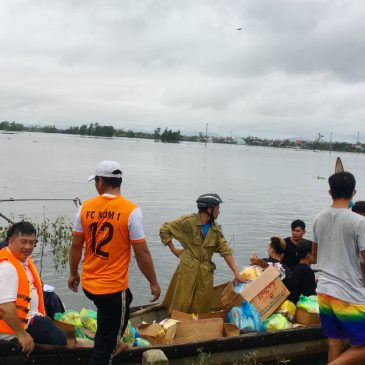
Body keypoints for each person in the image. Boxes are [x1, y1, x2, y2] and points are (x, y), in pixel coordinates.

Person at [68, 160, 160, 365]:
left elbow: (75, 246)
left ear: (100, 181)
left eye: (95, 181)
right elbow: (142, 252)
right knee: (104, 348)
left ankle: (113, 339)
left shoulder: (85, 208)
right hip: (111, 289)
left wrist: (73, 273)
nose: (95, 185)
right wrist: (153, 282)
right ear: (119, 181)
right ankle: (110, 346)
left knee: (124, 302)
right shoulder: (131, 210)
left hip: (90, 285)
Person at [159, 193, 245, 314]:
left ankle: (198, 329)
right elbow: (165, 229)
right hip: (187, 269)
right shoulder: (187, 222)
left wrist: (236, 272)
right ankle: (175, 326)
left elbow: (224, 250)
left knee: (202, 306)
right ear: (209, 209)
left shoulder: (215, 229)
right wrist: (174, 249)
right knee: (181, 303)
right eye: (217, 208)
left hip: (205, 272)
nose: (219, 211)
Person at [313, 171, 365, 365]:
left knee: (334, 340)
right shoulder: (359, 222)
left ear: (330, 192)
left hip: (324, 289)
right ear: (354, 192)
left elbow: (315, 252)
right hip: (347, 292)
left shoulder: (319, 218)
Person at [0, 222, 67, 355]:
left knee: (52, 305)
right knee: (60, 338)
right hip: (13, 328)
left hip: (30, 318)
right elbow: (5, 307)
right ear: (11, 241)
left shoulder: (23, 260)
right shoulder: (7, 267)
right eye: (23, 242)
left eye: (32, 243)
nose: (28, 247)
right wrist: (22, 334)